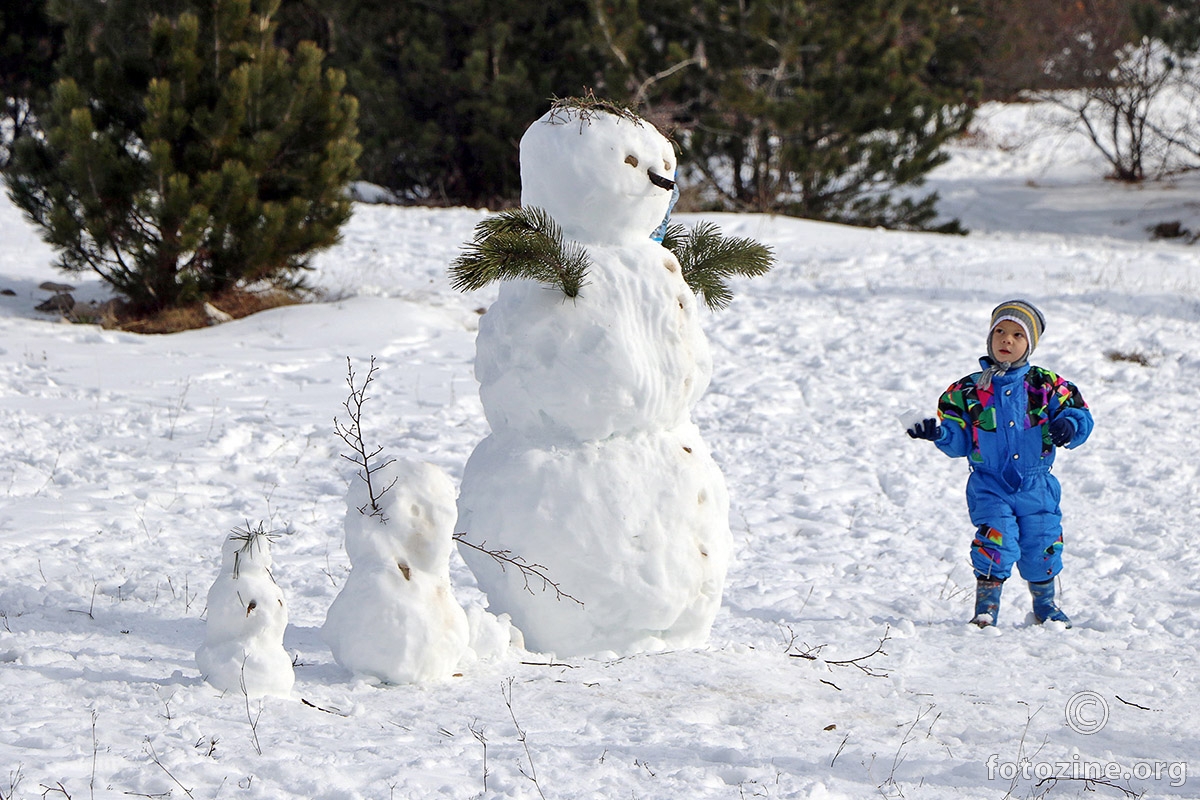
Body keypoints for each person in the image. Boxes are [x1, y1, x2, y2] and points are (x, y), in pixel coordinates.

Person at [907, 299, 1093, 628]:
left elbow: (1079, 414)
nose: (1007, 340)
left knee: (1042, 544)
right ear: (990, 337)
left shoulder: (1046, 385)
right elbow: (958, 439)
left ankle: (1046, 605)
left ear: (1030, 343)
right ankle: (985, 609)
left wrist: (1070, 426)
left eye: (1017, 335)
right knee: (996, 539)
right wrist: (937, 433)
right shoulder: (966, 390)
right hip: (989, 485)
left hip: (1037, 484)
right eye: (1000, 332)